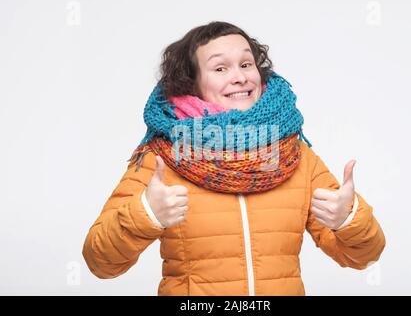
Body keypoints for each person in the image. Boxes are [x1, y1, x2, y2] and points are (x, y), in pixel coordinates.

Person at [82, 21, 386, 296]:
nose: (239, 77)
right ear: (192, 84)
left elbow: (362, 256)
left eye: (245, 64)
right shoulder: (163, 158)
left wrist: (349, 218)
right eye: (220, 69)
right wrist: (145, 213)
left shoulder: (294, 154)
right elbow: (101, 263)